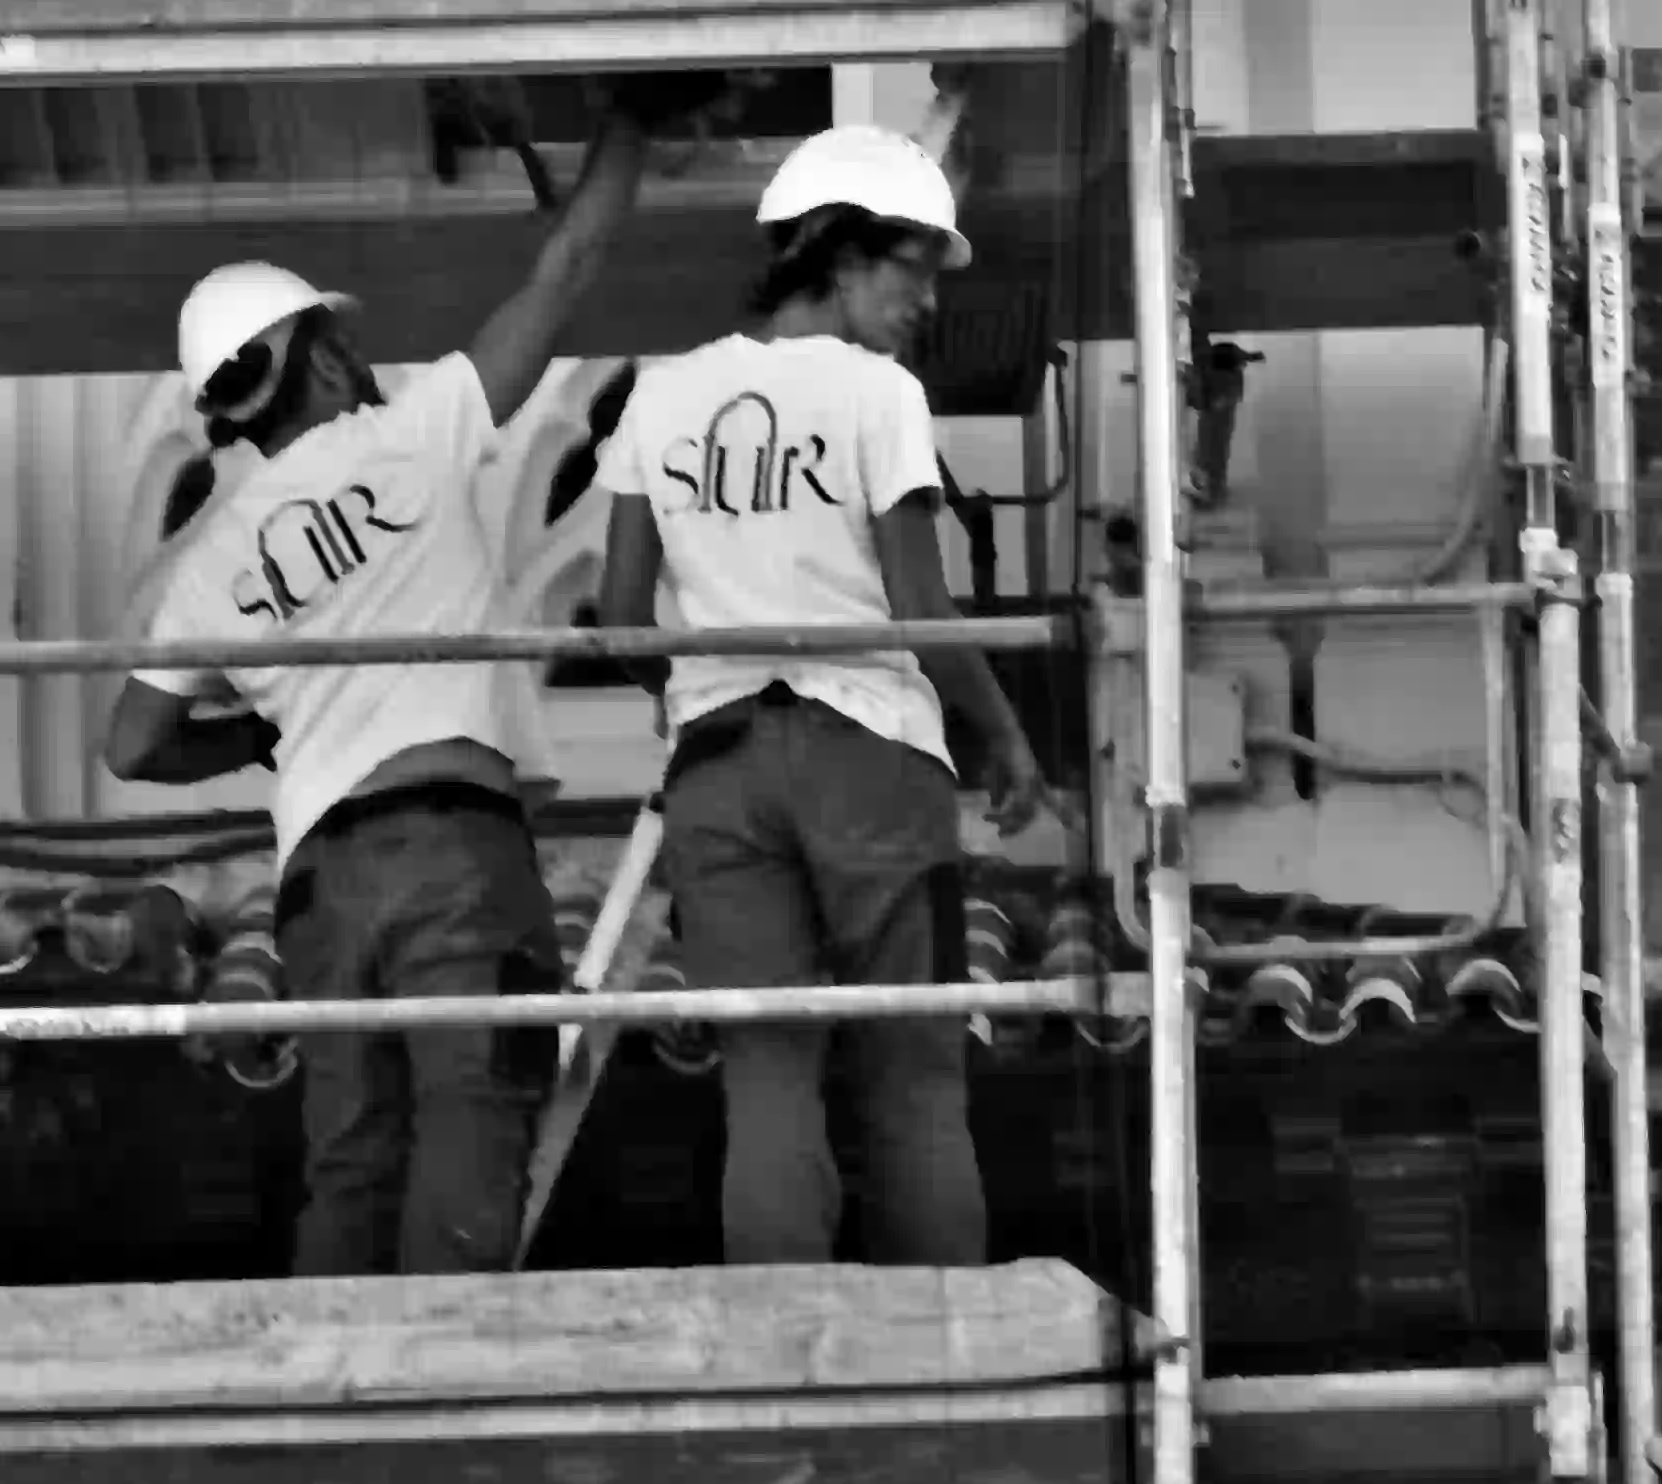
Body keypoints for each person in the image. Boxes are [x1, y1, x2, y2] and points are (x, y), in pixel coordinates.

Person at [105, 113, 652, 1275]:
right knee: (471, 1120)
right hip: (451, 849)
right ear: (316, 355)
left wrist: (255, 735)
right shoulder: (415, 436)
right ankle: (439, 1400)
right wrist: (636, 118)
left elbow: (130, 744)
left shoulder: (210, 560)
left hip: (320, 887)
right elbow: (569, 270)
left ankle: (334, 1412)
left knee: (351, 1157)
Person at [587, 121, 1054, 1267]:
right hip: (869, 752)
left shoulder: (662, 394)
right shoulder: (875, 393)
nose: (924, 305)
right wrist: (1004, 738)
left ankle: (785, 1349)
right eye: (911, 273)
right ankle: (941, 1355)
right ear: (842, 256)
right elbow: (916, 609)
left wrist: (684, 684)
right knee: (912, 1070)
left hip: (719, 765)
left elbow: (617, 613)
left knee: (768, 1075)